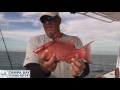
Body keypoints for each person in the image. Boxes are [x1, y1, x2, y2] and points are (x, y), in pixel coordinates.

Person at [23, 12, 90, 78]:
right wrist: (43, 69)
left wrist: (80, 72)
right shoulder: (34, 41)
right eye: (43, 20)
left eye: (50, 18)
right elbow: (29, 73)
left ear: (59, 20)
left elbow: (86, 69)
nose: (47, 22)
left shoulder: (76, 40)